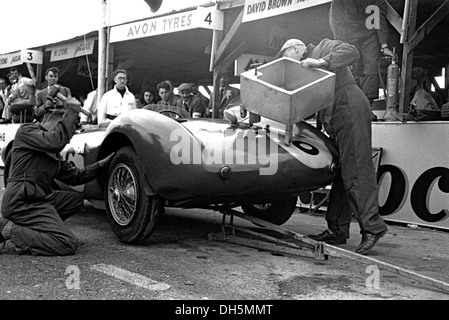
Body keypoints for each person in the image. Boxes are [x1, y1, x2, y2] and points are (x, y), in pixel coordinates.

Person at [276, 38, 388, 255]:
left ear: (296, 48)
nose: (287, 63)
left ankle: (372, 228)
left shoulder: (324, 47)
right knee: (340, 171)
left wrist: (320, 62)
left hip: (349, 107)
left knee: (356, 168)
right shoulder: (303, 70)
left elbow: (351, 51)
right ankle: (337, 228)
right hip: (335, 115)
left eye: (286, 56)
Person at [0, 97, 114, 256]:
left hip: (39, 200)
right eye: (69, 126)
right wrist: (71, 111)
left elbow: (76, 176)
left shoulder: (54, 156)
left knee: (74, 200)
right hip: (21, 201)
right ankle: (12, 231)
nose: (71, 132)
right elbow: (55, 141)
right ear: (55, 121)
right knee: (66, 243)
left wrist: (101, 165)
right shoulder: (26, 132)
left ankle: (34, 231)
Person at [329, 0, 394, 107]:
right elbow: (337, 22)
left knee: (372, 66)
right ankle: (354, 103)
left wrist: (384, 45)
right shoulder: (337, 2)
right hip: (348, 33)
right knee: (351, 66)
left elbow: (379, 17)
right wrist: (342, 45)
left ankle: (368, 105)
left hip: (369, 33)